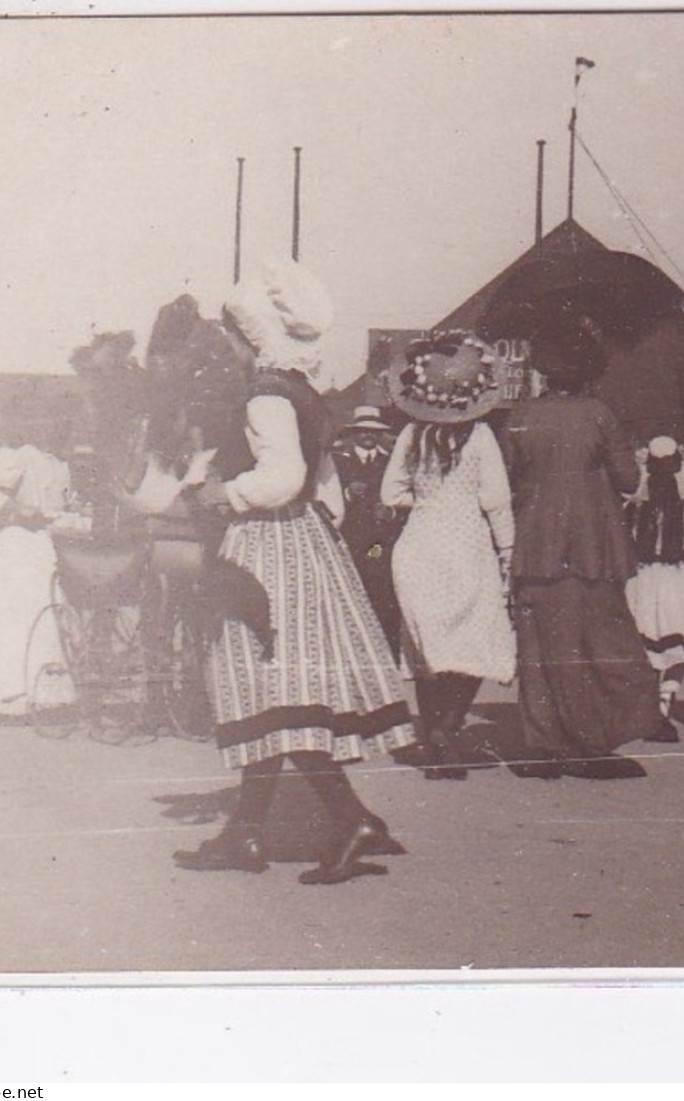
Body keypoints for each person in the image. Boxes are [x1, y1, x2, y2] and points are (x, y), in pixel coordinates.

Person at [173, 260, 415, 885]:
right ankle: (246, 833)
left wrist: (224, 494)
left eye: (231, 337)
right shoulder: (303, 394)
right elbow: (324, 488)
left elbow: (280, 479)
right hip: (304, 543)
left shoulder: (267, 394)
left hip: (270, 545)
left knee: (276, 688)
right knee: (275, 691)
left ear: (251, 338)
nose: (226, 348)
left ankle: (348, 818)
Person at [499, 311, 661, 779]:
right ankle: (590, 740)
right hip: (594, 547)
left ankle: (544, 745)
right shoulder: (598, 415)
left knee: (538, 646)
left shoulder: (522, 417)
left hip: (535, 545)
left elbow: (509, 481)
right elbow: (629, 480)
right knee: (600, 643)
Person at [379, 332, 517, 781]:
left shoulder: (411, 436)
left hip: (420, 543)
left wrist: (422, 499)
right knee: (472, 640)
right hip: (467, 545)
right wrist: (508, 548)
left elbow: (390, 492)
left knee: (427, 644)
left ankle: (431, 734)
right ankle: (449, 726)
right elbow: (496, 498)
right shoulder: (479, 437)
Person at [0, 443, 78, 717]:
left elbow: (62, 501)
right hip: (17, 544)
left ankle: (47, 697)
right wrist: (16, 507)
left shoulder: (62, 462)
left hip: (46, 544)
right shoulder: (22, 455)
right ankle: (14, 696)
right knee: (15, 621)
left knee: (47, 616)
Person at [623, 435, 684, 742]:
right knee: (675, 648)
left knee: (646, 645)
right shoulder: (681, 509)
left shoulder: (636, 509)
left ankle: (639, 709)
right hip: (674, 580)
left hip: (642, 579)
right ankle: (663, 706)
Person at [330, 405, 405, 659]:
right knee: (353, 595)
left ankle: (388, 656)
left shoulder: (391, 462)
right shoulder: (339, 461)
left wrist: (391, 513)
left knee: (383, 594)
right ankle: (355, 656)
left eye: (373, 432)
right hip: (350, 542)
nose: (368, 436)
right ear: (354, 433)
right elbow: (327, 499)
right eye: (363, 431)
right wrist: (349, 494)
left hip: (379, 543)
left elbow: (404, 499)